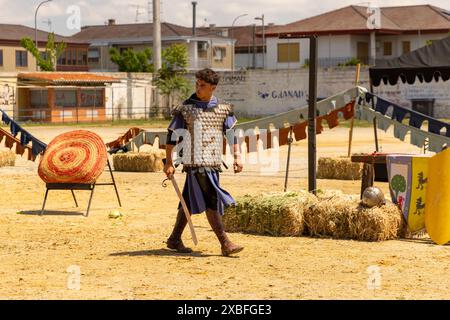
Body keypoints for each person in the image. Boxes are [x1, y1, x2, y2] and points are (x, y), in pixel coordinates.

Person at [164, 68, 244, 257]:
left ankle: (174, 238)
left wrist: (237, 156)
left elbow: (231, 135)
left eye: (203, 85)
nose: (198, 88)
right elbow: (171, 136)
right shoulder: (186, 108)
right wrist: (168, 162)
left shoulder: (223, 109)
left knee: (189, 203)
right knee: (211, 200)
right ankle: (225, 243)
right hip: (195, 163)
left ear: (213, 88)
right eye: (197, 84)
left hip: (213, 163)